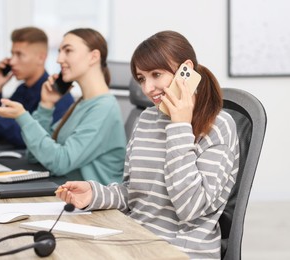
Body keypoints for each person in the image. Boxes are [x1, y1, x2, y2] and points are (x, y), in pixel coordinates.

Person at [56, 30, 240, 259]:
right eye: (142, 78)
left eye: (156, 74)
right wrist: (94, 194)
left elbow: (190, 208)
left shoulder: (219, 125)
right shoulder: (147, 119)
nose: (147, 88)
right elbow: (134, 195)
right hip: (134, 239)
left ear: (186, 70)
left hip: (180, 251)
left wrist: (180, 125)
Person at [0, 28, 126, 185]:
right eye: (59, 51)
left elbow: (61, 163)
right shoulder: (81, 104)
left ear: (93, 57)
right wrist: (46, 106)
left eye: (68, 51)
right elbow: (35, 156)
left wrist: (22, 117)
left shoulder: (104, 108)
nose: (59, 59)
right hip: (63, 192)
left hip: (93, 205)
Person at [0, 26, 75, 149]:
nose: (12, 61)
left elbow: (24, 139)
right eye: (12, 54)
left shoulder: (57, 94)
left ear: (41, 58)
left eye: (19, 55)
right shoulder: (22, 90)